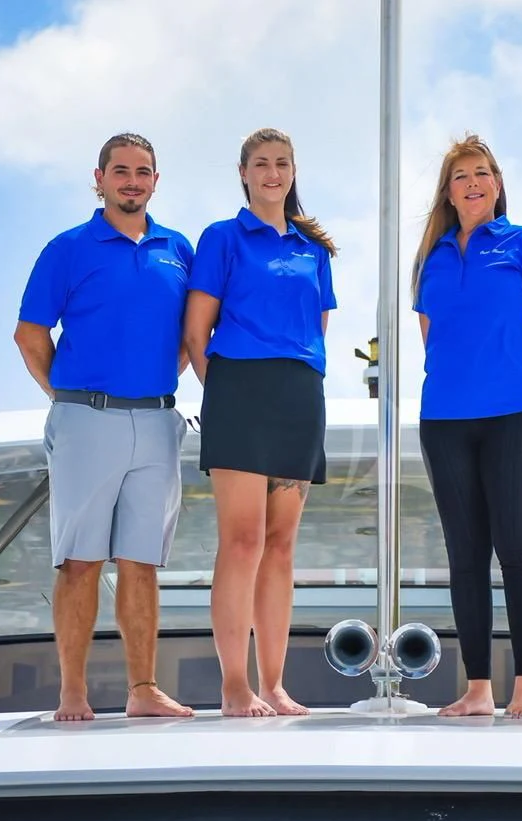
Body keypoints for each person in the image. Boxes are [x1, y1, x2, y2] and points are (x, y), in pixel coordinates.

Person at [14, 132, 194, 722]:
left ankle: (143, 690)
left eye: (143, 171)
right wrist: (66, 399)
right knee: (82, 559)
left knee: (142, 561)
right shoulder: (67, 248)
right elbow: (30, 334)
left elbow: (192, 336)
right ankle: (73, 692)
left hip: (158, 418)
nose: (132, 181)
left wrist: (159, 385)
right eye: (121, 171)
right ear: (99, 178)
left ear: (156, 181)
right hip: (85, 419)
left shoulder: (179, 249)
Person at [412, 134, 522, 719]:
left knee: (519, 550)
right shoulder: (432, 257)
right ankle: (478, 688)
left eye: (483, 173)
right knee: (465, 556)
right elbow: (435, 339)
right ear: (448, 192)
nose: (473, 183)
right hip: (446, 421)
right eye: (461, 176)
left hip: (517, 418)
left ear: (498, 184)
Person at [183, 127, 337, 718]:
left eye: (282, 164)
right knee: (242, 542)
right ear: (243, 173)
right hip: (239, 392)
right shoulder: (222, 238)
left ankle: (273, 684)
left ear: (293, 173)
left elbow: (316, 330)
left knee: (281, 547)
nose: (272, 173)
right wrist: (224, 395)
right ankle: (234, 686)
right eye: (261, 164)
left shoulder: (312, 248)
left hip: (299, 393)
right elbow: (197, 333)